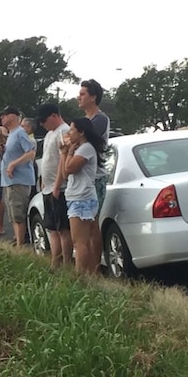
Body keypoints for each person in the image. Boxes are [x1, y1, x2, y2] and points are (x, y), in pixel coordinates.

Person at [61, 117, 105, 274]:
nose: (69, 133)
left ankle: (80, 275)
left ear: (81, 132)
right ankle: (92, 273)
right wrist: (66, 152)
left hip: (81, 198)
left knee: (79, 242)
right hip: (80, 197)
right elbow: (65, 174)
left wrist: (69, 151)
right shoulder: (83, 148)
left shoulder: (85, 148)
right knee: (87, 239)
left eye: (72, 130)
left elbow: (69, 169)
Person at [78, 78, 111, 273]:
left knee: (92, 223)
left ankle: (95, 266)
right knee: (84, 224)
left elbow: (84, 141)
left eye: (82, 94)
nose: (78, 98)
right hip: (84, 178)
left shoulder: (100, 119)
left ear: (93, 97)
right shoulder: (86, 121)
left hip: (96, 177)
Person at [37, 103, 72, 268]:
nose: (42, 124)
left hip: (59, 188)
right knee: (52, 228)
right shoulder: (50, 134)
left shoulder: (64, 131)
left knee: (63, 229)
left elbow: (62, 161)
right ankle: (54, 262)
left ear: (54, 116)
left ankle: (65, 263)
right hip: (48, 186)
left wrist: (57, 185)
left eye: (44, 120)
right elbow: (47, 158)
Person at [0, 106, 36, 247]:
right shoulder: (12, 134)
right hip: (10, 180)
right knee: (13, 215)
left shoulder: (20, 133)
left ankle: (21, 245)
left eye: (4, 115)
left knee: (18, 214)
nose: (1, 118)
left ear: (13, 116)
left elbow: (31, 153)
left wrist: (13, 164)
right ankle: (18, 240)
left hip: (19, 180)